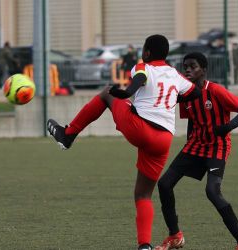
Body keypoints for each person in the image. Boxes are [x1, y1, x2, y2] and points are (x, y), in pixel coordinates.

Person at [46, 34, 201, 250]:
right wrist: (174, 97)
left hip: (141, 128)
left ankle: (68, 134)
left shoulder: (143, 66)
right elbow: (196, 92)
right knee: (143, 194)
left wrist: (126, 92)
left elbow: (139, 81)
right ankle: (144, 245)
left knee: (108, 93)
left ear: (146, 53)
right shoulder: (175, 75)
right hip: (163, 139)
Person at [155, 52, 238, 250]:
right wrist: (189, 141)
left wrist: (228, 126)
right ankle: (175, 235)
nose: (188, 70)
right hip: (195, 146)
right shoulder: (186, 95)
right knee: (164, 184)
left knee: (212, 191)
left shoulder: (216, 90)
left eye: (193, 66)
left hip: (217, 147)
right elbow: (192, 119)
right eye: (185, 67)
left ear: (204, 70)